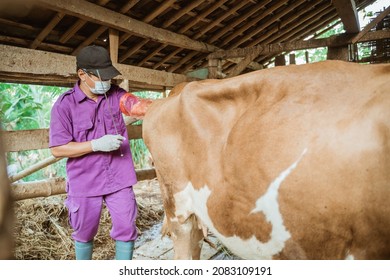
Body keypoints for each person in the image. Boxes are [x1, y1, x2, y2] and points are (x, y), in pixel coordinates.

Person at [49, 45, 139, 260]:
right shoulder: (64, 105)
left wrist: (164, 105)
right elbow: (57, 149)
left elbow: (137, 106)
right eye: (101, 77)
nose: (107, 82)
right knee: (84, 232)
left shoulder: (116, 94)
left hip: (119, 177)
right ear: (82, 74)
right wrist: (95, 145)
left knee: (127, 227)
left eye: (109, 76)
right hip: (85, 181)